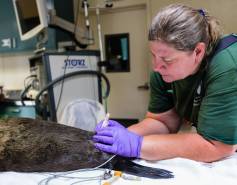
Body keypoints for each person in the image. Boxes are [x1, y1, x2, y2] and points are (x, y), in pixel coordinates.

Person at [93, 4, 237, 162]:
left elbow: (217, 146)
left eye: (167, 60)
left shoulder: (227, 65)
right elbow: (163, 121)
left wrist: (137, 145)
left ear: (198, 52)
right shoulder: (162, 72)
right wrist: (124, 136)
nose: (156, 67)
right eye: (153, 55)